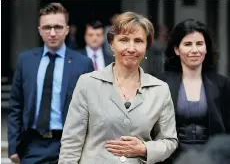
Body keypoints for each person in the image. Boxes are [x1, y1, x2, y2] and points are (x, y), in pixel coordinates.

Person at [58, 11, 178, 164]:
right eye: (124, 40)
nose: (131, 48)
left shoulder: (160, 90)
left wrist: (144, 149)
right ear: (111, 44)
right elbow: (71, 143)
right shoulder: (88, 83)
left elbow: (169, 141)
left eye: (139, 41)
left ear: (147, 46)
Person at [8, 3, 94, 164]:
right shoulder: (26, 60)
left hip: (68, 144)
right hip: (31, 145)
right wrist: (13, 146)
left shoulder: (83, 63)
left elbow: (91, 109)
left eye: (58, 27)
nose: (52, 33)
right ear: (40, 30)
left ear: (67, 29)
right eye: (47, 27)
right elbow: (16, 106)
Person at [156, 19, 230, 164]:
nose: (194, 50)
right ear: (177, 50)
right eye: (188, 44)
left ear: (206, 48)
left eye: (199, 44)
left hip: (214, 158)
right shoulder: (161, 83)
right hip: (171, 159)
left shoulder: (221, 83)